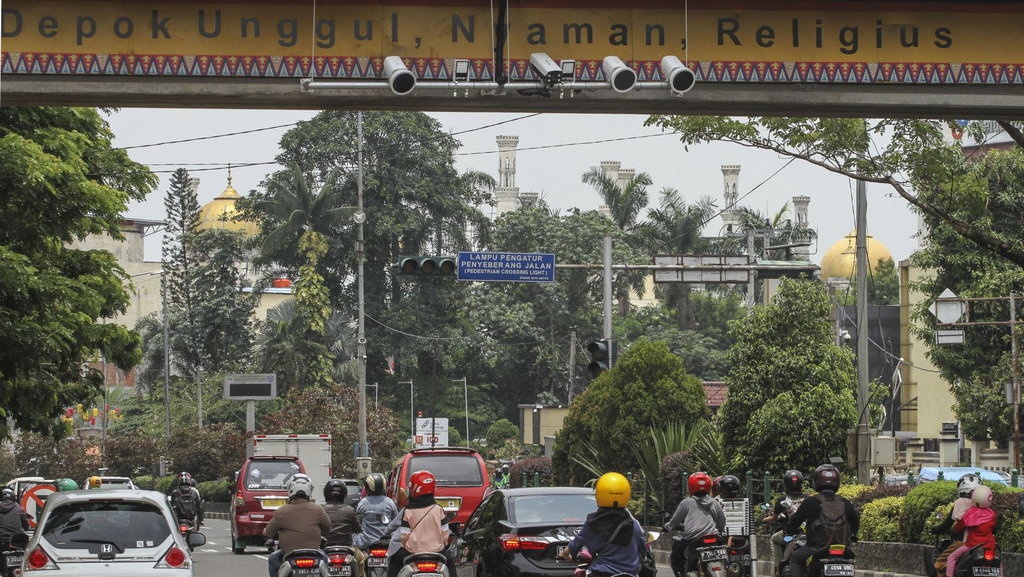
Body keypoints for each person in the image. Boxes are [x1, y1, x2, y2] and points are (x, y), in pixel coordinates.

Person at [557, 472, 647, 577]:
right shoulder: (634, 524)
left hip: (601, 572)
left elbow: (578, 541)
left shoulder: (593, 523)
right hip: (630, 573)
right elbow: (642, 547)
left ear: (599, 494)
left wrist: (565, 553)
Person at [785, 464, 860, 577]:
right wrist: (853, 534)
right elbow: (855, 522)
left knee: (795, 558)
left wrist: (789, 531)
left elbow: (795, 520)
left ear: (816, 481)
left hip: (815, 548)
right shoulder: (845, 502)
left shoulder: (810, 501)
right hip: (843, 550)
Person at [264, 475, 332, 577]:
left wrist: (268, 533)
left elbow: (268, 533)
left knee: (272, 559)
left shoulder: (282, 511)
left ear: (290, 489)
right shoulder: (318, 509)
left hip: (288, 555)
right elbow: (327, 528)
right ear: (309, 490)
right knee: (325, 558)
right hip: (314, 554)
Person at [386, 470, 450, 577]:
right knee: (451, 564)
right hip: (437, 552)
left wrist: (408, 546)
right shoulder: (438, 509)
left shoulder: (408, 510)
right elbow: (445, 533)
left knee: (394, 563)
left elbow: (404, 536)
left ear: (415, 488)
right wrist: (441, 545)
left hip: (411, 552)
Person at [663, 471, 726, 577]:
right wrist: (718, 531)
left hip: (694, 539)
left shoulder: (686, 503)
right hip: (714, 538)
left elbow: (674, 522)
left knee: (676, 556)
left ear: (690, 487)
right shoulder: (715, 503)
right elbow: (722, 522)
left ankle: (681, 574)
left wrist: (667, 527)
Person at [945, 484, 1000, 577]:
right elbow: (994, 528)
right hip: (989, 546)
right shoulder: (992, 514)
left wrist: (953, 530)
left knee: (951, 558)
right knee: (998, 561)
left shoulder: (970, 513)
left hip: (972, 545)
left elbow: (959, 527)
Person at [930, 473, 979, 575]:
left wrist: (935, 529)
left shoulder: (960, 503)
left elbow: (950, 525)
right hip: (986, 543)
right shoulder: (984, 507)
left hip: (964, 542)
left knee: (941, 562)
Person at [763, 470, 808, 575]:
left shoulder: (783, 499)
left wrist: (765, 520)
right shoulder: (808, 498)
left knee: (774, 539)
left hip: (791, 534)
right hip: (807, 533)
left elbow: (773, 518)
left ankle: (778, 568)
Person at [354, 473, 399, 550]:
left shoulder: (363, 503)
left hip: (365, 543)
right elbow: (395, 522)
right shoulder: (390, 502)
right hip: (386, 542)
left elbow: (358, 523)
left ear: (367, 487)